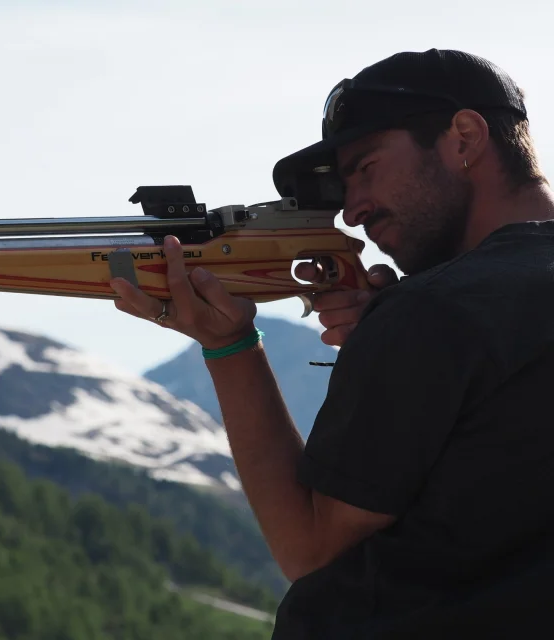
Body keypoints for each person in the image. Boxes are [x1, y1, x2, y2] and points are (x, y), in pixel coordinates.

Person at [110, 49, 554, 638]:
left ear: (465, 137)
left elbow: (310, 548)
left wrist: (230, 345)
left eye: (366, 166)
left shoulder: (435, 312)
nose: (351, 208)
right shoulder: (440, 311)